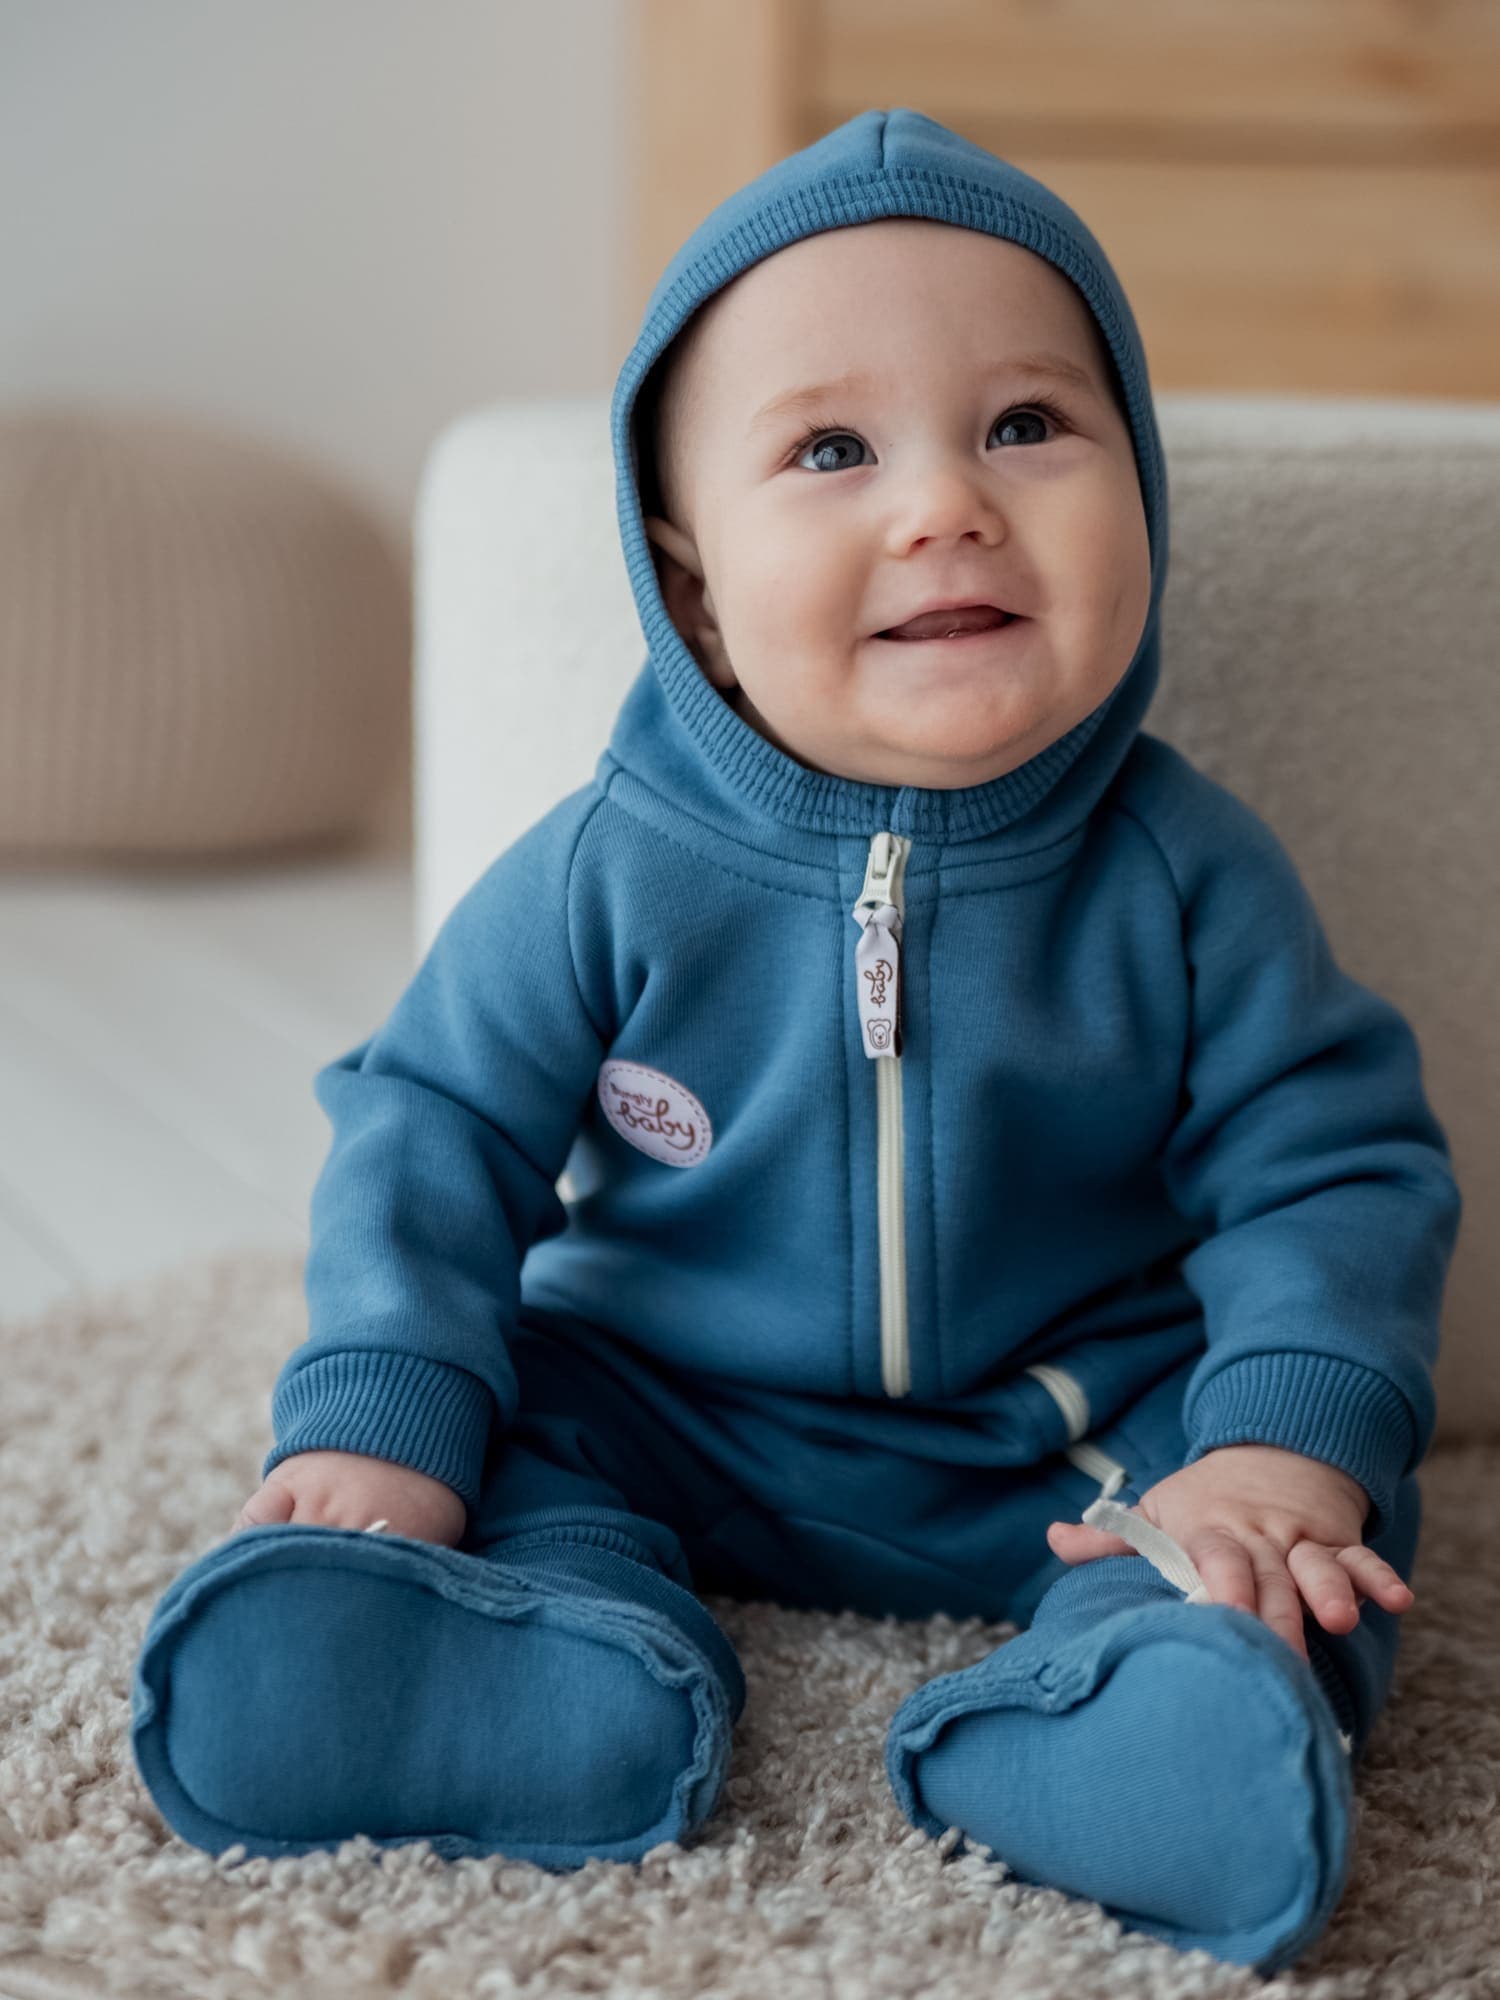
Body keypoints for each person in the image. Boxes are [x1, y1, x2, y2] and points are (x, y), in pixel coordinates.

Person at [130, 108, 1463, 1975]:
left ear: (1141, 499)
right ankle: (529, 1666)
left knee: (1305, 1542)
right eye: (833, 450)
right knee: (507, 1432)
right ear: (695, 596)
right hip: (673, 1410)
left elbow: (1333, 1166)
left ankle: (1143, 1723)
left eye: (1027, 424)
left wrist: (1277, 1445)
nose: (946, 505)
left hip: (1070, 1434)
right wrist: (384, 1410)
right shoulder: (607, 870)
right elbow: (433, 1124)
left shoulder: (1185, 875)